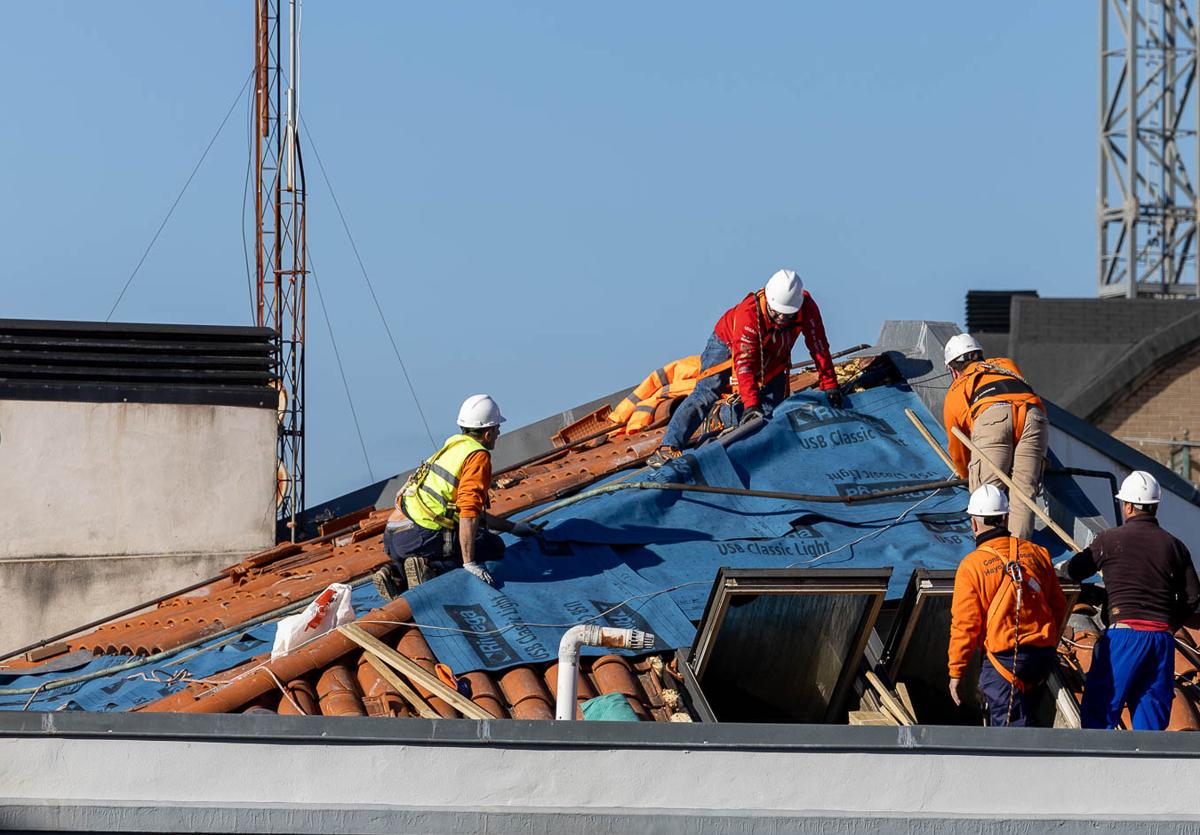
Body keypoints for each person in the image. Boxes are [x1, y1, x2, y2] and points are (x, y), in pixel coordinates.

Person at [646, 268, 840, 467]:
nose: (782, 319)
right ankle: (668, 447)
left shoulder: (806, 306)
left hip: (773, 353)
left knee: (770, 412)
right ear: (769, 300)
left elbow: (819, 346)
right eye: (777, 313)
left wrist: (830, 384)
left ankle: (736, 434)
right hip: (728, 345)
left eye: (787, 315)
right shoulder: (749, 313)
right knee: (707, 392)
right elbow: (744, 364)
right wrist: (750, 405)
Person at [1061, 471, 1200, 730]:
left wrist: (1061, 568)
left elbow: (1072, 571)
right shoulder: (1175, 545)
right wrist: (1168, 624)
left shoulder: (1110, 540)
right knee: (1152, 725)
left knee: (1099, 716)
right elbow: (1193, 597)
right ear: (1154, 506)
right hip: (1161, 641)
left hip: (1124, 638)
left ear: (1127, 506)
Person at [372, 394, 537, 597]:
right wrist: (470, 563)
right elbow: (468, 514)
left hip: (394, 538)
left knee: (460, 533)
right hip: (420, 537)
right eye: (496, 428)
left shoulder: (453, 446)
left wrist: (513, 527)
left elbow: (456, 512)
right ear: (487, 433)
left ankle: (395, 574)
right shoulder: (478, 457)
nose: (499, 433)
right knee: (492, 547)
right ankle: (431, 570)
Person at [948, 485, 1067, 727]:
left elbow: (965, 626)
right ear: (1005, 517)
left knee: (1008, 736)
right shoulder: (1038, 553)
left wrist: (956, 672)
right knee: (1029, 722)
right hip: (1041, 658)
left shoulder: (972, 566)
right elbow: (1058, 606)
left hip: (1004, 660)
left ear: (974, 524)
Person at [942, 334, 1047, 539]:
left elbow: (958, 447)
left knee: (987, 495)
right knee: (1024, 493)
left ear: (953, 370)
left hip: (992, 418)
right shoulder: (1006, 365)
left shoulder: (957, 388)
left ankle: (993, 555)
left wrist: (966, 474)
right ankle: (1018, 556)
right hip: (1034, 416)